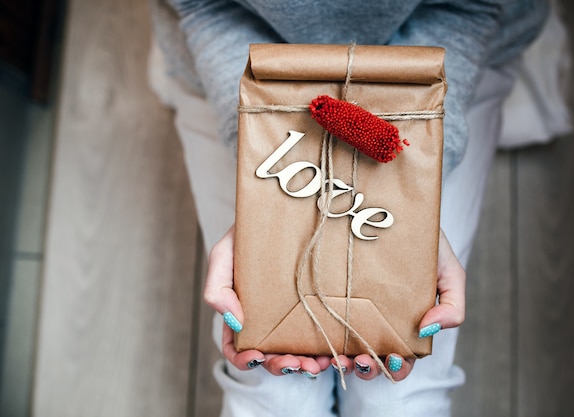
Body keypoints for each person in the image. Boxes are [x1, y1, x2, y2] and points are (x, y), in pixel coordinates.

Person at [149, 1, 549, 416]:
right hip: (234, 66)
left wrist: (416, 201)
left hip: (447, 72)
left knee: (399, 400)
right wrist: (259, 190)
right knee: (273, 396)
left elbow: (468, 7)